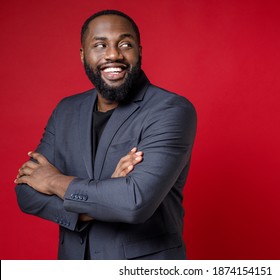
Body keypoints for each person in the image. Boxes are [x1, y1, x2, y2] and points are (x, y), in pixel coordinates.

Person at [14, 9, 197, 260]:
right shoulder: (66, 110)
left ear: (139, 51)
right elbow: (26, 194)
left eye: (125, 44)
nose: (113, 54)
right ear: (83, 55)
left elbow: (134, 203)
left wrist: (54, 182)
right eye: (100, 45)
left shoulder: (170, 109)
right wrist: (106, 196)